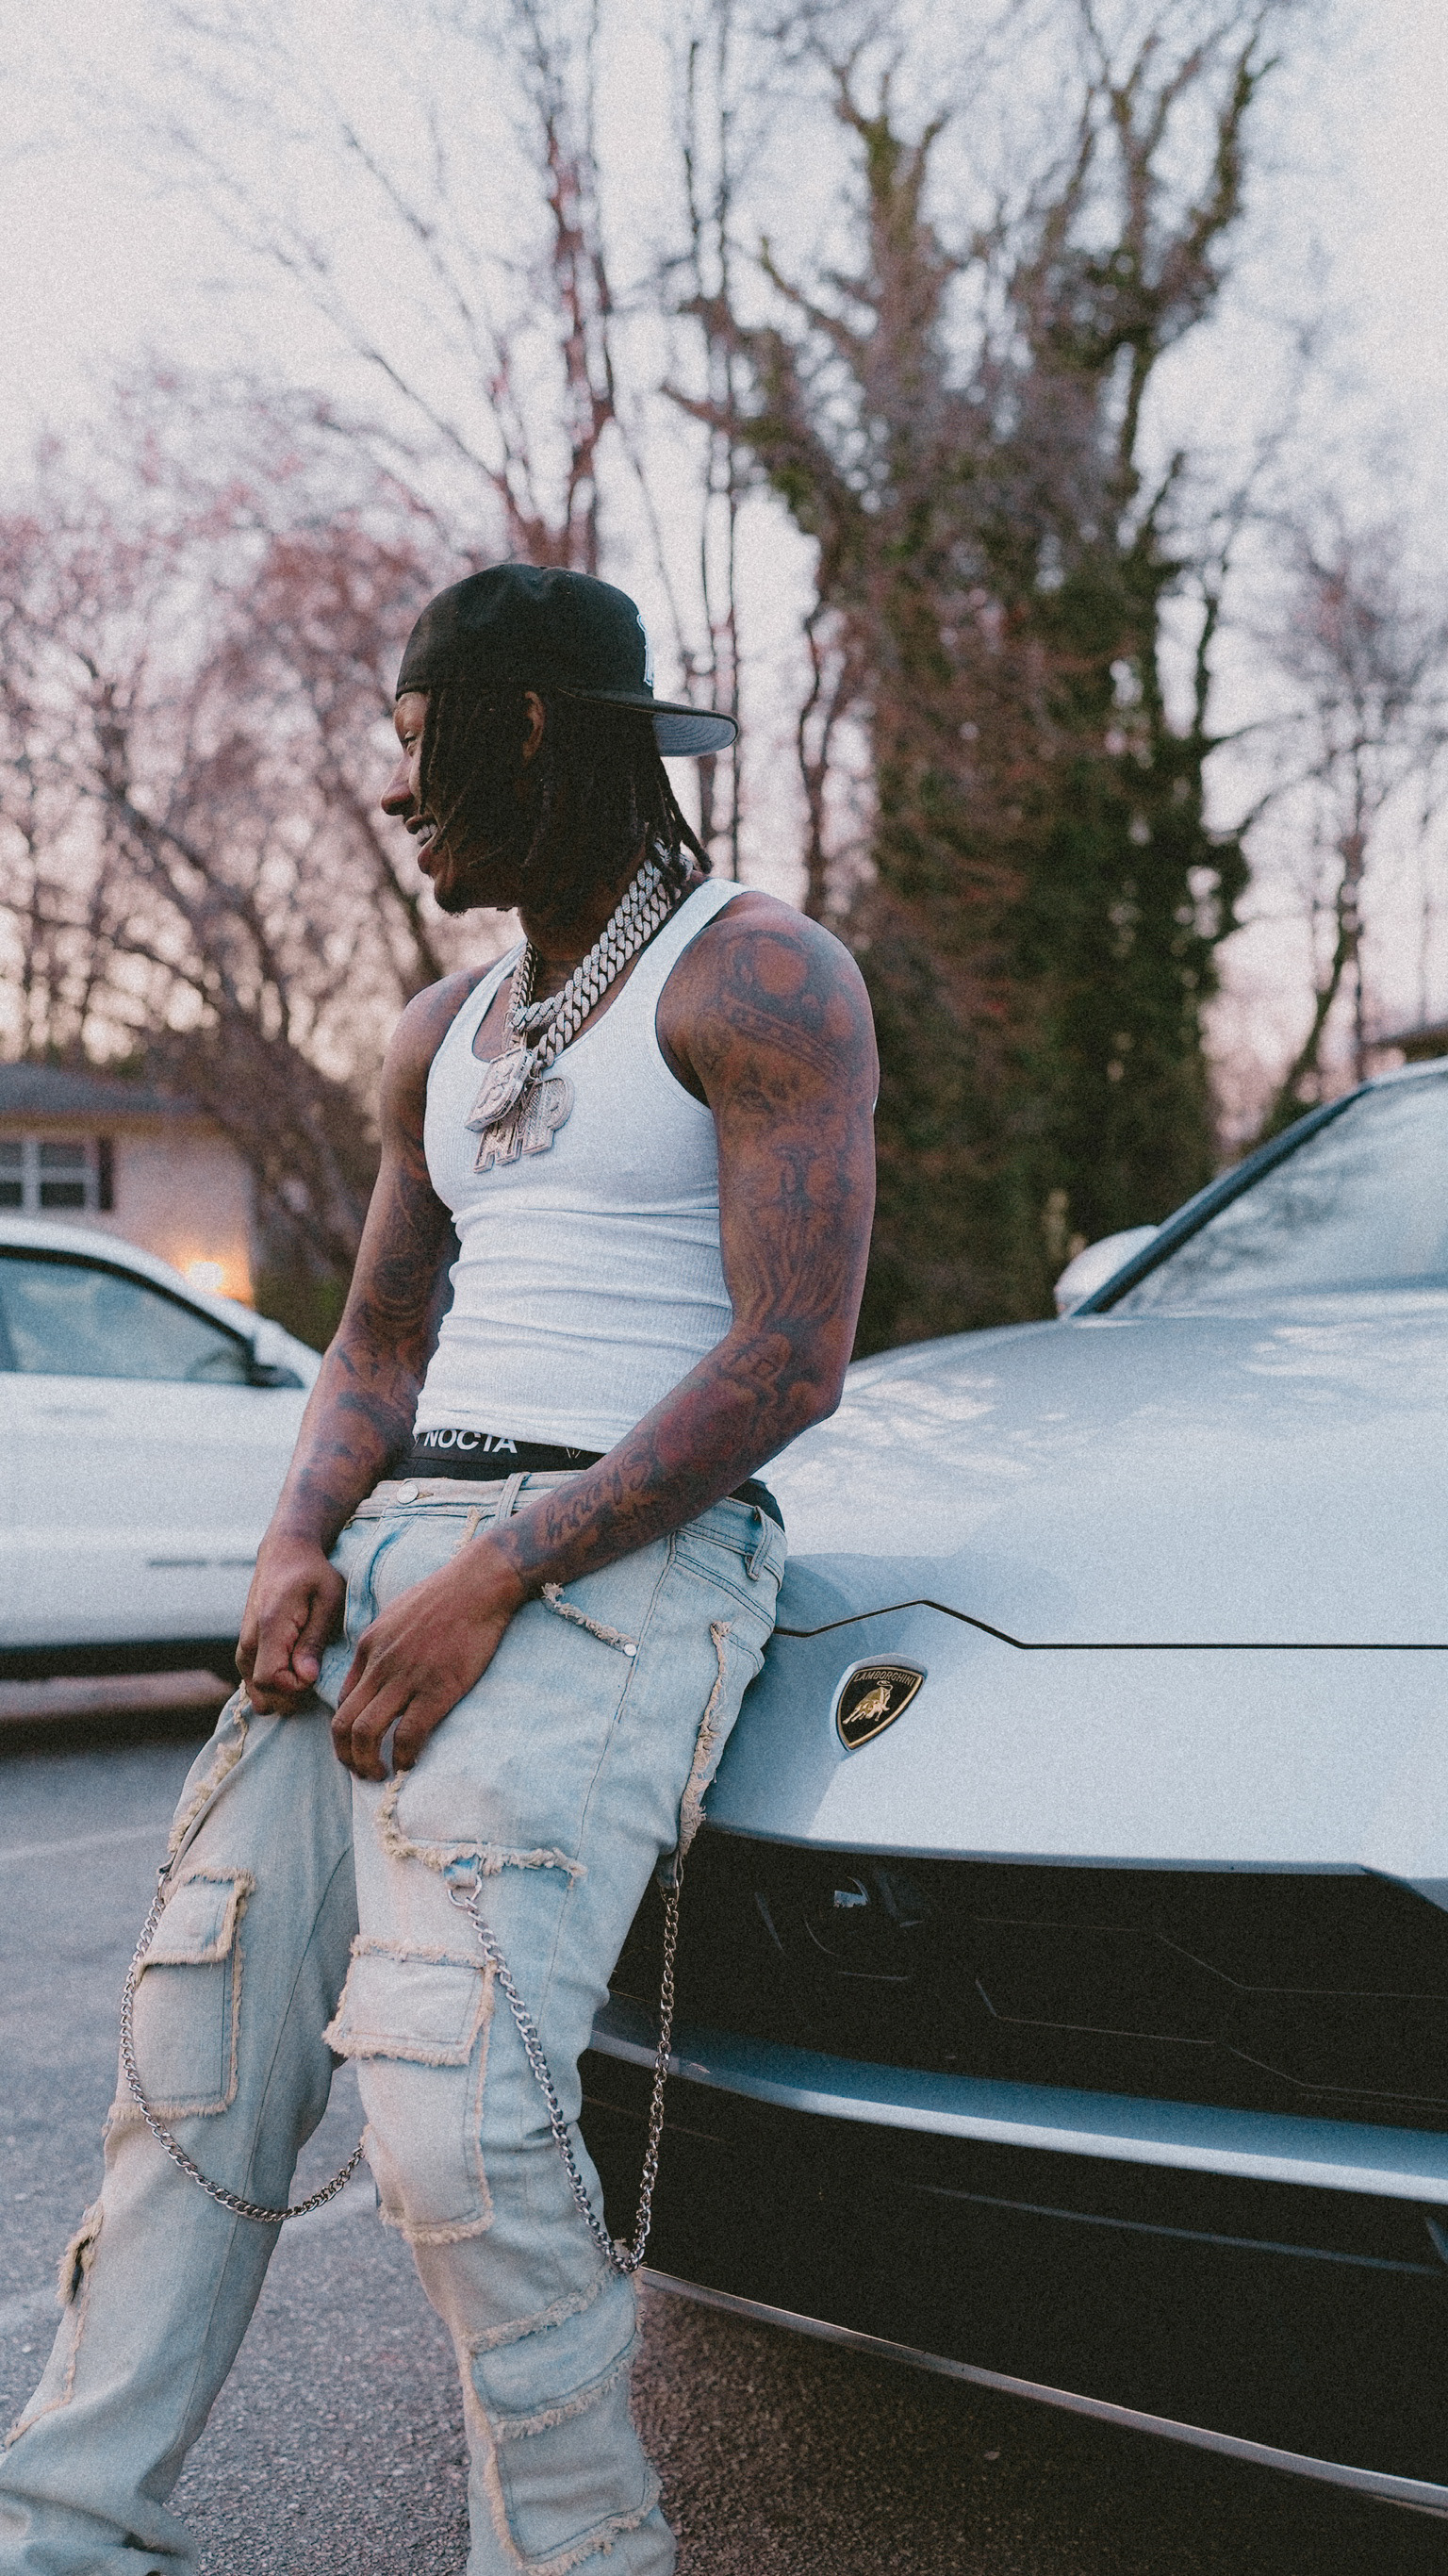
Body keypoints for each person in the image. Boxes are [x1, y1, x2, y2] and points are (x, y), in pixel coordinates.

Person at [0, 561, 877, 2576]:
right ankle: (64, 2536)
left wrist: (499, 1574)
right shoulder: (443, 1029)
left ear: (530, 729)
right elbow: (381, 1341)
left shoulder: (757, 977)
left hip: (613, 1555)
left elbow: (790, 1355)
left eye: (416, 742)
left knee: (453, 2108)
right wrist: (297, 1537)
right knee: (196, 2061)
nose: (396, 793)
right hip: (402, 1549)